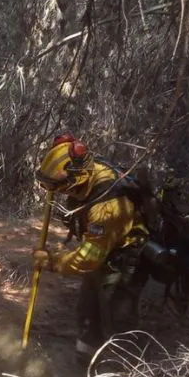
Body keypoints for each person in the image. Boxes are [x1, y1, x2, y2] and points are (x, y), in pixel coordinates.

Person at [32, 133, 150, 363]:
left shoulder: (108, 206)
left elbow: (88, 258)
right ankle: (86, 361)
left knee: (118, 318)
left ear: (77, 178)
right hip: (101, 252)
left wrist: (52, 261)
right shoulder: (87, 171)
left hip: (124, 259)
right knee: (87, 311)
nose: (59, 192)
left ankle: (125, 371)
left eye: (61, 188)